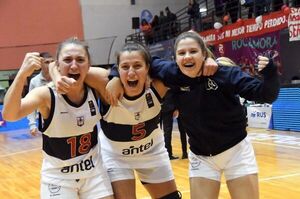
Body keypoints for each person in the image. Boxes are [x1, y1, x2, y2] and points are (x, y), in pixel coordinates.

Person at [107, 31, 280, 199]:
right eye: (182, 53)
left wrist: (270, 73)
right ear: (175, 58)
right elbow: (138, 59)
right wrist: (115, 76)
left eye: (193, 51)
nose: (187, 56)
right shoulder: (171, 72)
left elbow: (265, 95)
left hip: (236, 152)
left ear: (204, 54)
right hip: (201, 157)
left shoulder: (225, 74)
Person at [52, 42, 183, 199]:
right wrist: (57, 77)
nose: (131, 73)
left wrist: (213, 62)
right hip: (116, 157)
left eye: (137, 66)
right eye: (125, 67)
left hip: (152, 152)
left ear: (148, 68)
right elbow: (61, 65)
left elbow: (186, 69)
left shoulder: (158, 85)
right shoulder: (103, 82)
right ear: (117, 68)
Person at [2, 38, 114, 199]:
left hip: (94, 173)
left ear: (89, 66)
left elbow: (114, 75)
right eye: (67, 60)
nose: (74, 65)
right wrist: (21, 75)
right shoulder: (46, 94)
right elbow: (10, 115)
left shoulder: (94, 88)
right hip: (58, 178)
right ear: (58, 65)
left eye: (80, 60)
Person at [27, 52, 54, 136]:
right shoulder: (34, 81)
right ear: (40, 64)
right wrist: (32, 124)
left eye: (52, 62)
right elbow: (30, 104)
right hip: (44, 119)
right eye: (47, 62)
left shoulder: (60, 78)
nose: (50, 64)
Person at [161, 90, 188, 160]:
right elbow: (177, 93)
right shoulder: (174, 81)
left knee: (167, 131)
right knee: (182, 130)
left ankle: (169, 154)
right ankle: (184, 153)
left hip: (165, 107)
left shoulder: (163, 80)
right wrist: (176, 108)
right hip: (176, 106)